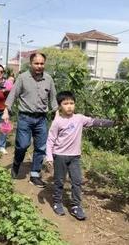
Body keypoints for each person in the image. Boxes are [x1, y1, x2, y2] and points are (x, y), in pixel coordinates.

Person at [46, 91, 114, 220]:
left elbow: (95, 122)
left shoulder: (80, 118)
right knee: (59, 181)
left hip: (75, 157)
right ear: (60, 106)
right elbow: (50, 140)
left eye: (72, 103)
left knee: (77, 181)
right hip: (59, 156)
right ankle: (57, 202)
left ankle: (76, 206)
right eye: (65, 104)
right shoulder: (57, 122)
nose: (69, 106)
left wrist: (112, 123)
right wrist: (49, 157)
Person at [2, 52, 58, 188]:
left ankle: (34, 175)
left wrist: (57, 113)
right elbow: (13, 95)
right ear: (31, 64)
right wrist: (6, 110)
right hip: (25, 118)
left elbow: (53, 99)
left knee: (41, 147)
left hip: (41, 119)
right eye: (36, 63)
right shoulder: (22, 78)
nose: (39, 66)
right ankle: (16, 163)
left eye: (42, 63)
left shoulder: (48, 79)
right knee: (22, 145)